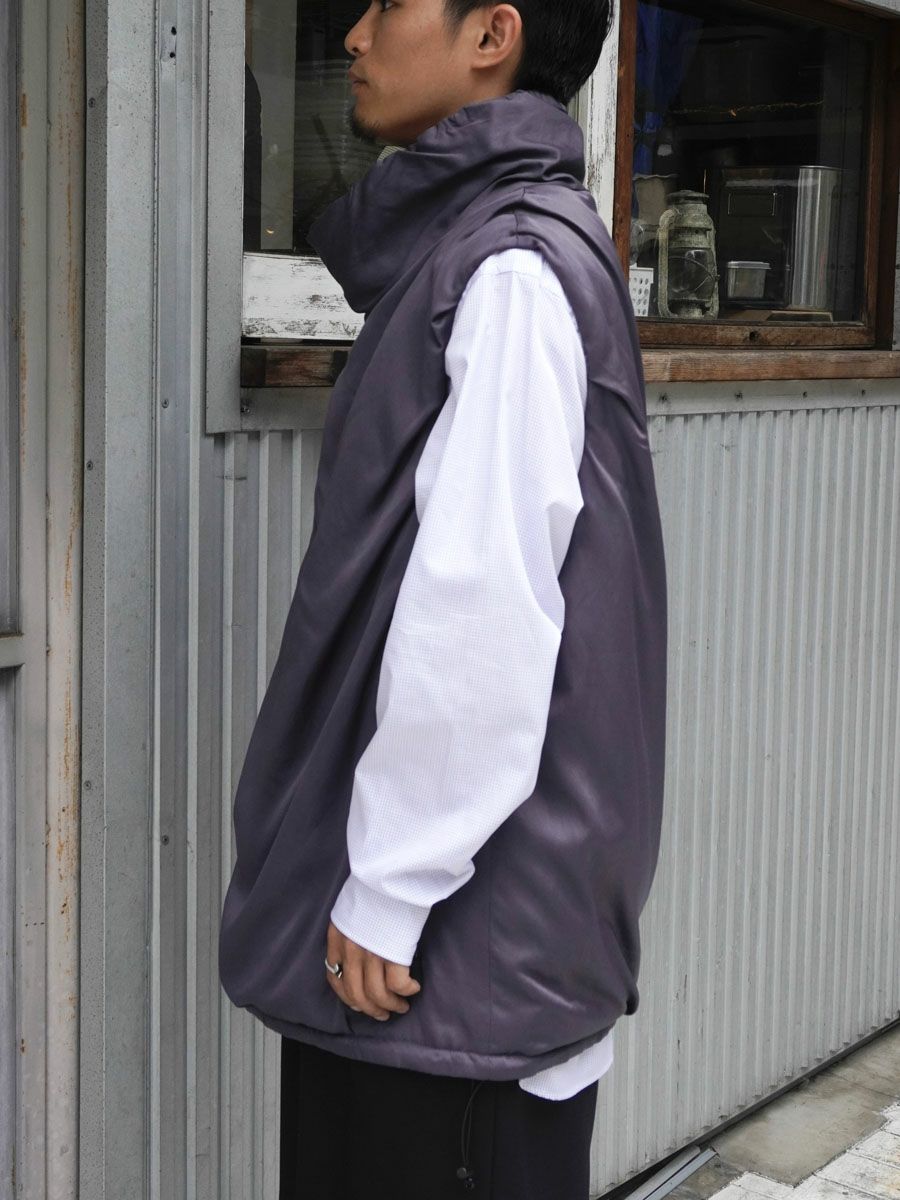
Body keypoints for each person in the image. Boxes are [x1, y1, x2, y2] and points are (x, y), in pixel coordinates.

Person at [218, 1, 669, 1197]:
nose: (354, 36)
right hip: (460, 936)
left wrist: (392, 884)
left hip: (449, 949)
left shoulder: (512, 268)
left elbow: (483, 601)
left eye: (391, 4)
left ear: (491, 35)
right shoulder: (483, 248)